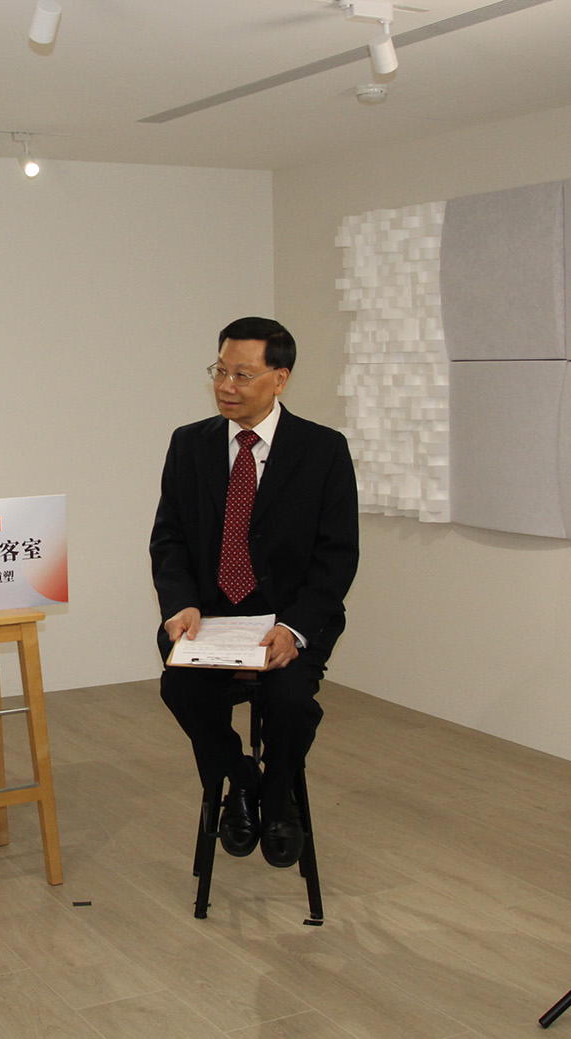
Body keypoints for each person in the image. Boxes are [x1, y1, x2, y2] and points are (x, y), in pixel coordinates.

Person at [150, 316, 358, 868]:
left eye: (243, 374)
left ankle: (279, 794)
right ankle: (244, 783)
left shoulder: (323, 450)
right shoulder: (189, 443)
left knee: (290, 702)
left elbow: (337, 556)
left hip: (286, 617)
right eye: (220, 370)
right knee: (183, 689)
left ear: (280, 379)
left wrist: (294, 627)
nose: (226, 386)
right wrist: (180, 604)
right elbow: (168, 537)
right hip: (208, 614)